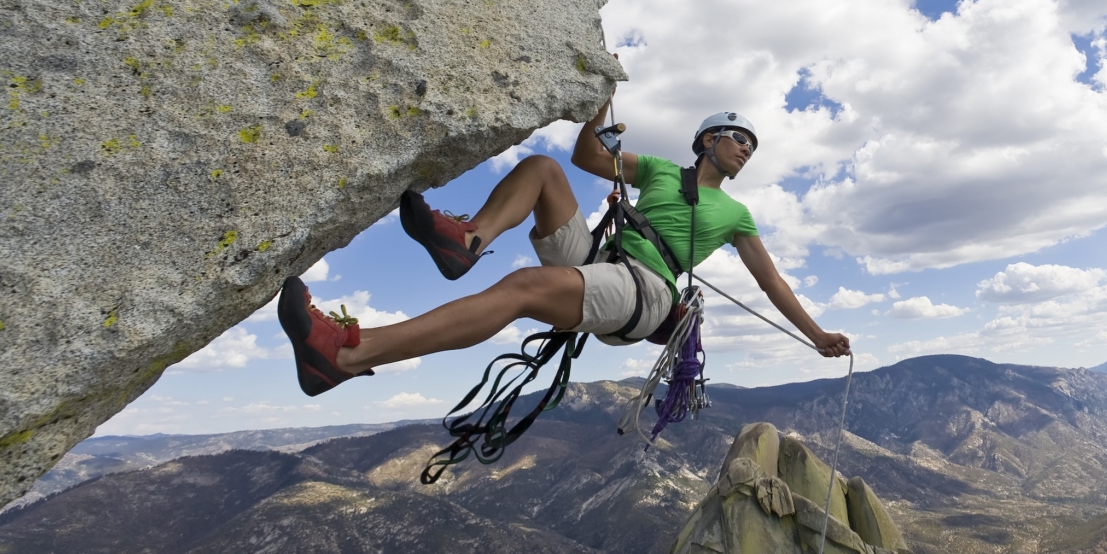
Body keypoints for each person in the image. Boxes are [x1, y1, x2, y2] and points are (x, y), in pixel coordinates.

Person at [278, 105, 852, 396]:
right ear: (708, 140)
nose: (747, 149)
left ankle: (347, 356)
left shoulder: (737, 215)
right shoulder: (655, 170)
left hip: (647, 292)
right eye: (738, 138)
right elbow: (585, 158)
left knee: (524, 288)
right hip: (603, 263)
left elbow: (771, 282)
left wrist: (815, 334)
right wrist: (600, 104)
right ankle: (467, 242)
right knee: (545, 170)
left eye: (753, 145)